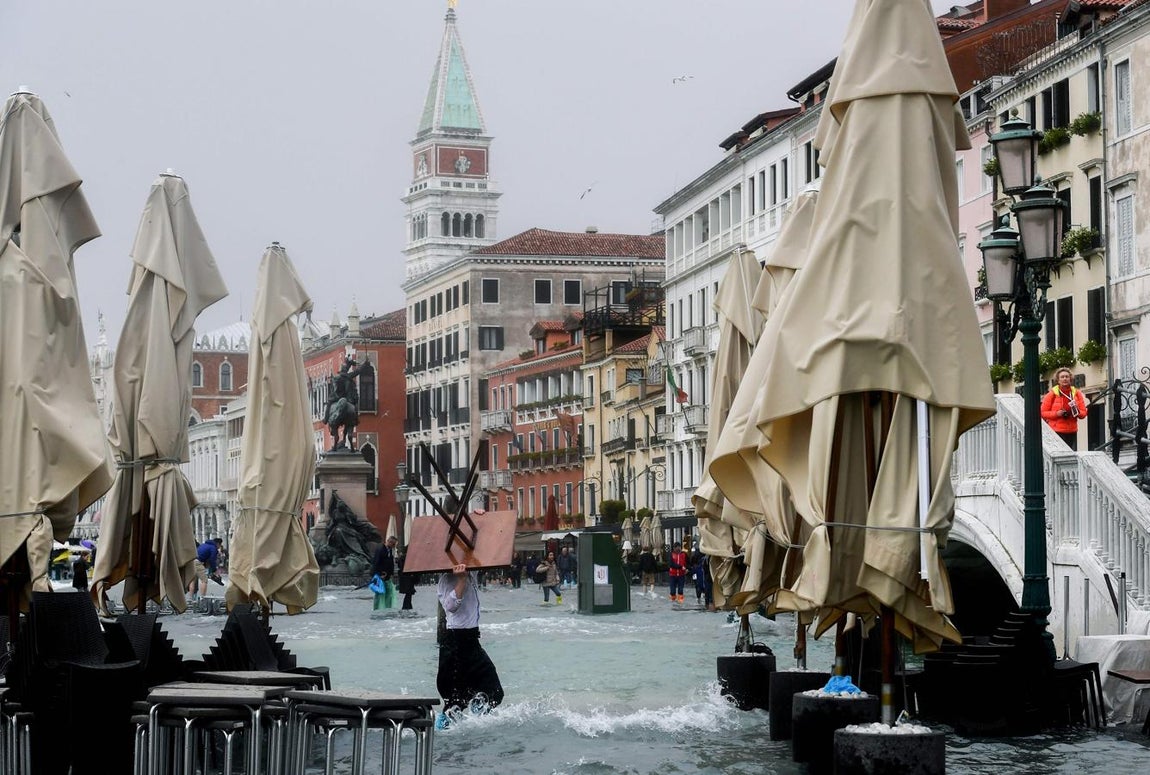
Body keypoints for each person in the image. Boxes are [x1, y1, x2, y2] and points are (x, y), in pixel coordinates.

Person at [435, 563, 504, 727]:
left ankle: (477, 723)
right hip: (454, 642)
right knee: (454, 700)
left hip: (471, 640)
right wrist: (461, 580)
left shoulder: (472, 573)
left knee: (494, 691)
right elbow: (450, 607)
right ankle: (442, 733)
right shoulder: (446, 579)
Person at [1041, 367, 1088, 450]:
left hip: (1071, 430)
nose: (1065, 379)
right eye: (1062, 377)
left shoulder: (1077, 393)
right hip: (1056, 430)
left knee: (1070, 454)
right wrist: (1057, 413)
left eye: (1067, 376)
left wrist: (1077, 412)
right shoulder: (1052, 394)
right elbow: (1043, 412)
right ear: (1058, 380)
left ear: (1070, 379)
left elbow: (1083, 413)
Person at [370, 536, 398, 610]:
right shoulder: (380, 549)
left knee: (388, 592)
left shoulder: (390, 550)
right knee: (379, 593)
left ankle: (387, 607)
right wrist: (379, 574)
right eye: (394, 544)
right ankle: (376, 609)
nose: (394, 546)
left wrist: (391, 573)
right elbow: (376, 563)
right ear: (389, 542)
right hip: (380, 575)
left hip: (387, 576)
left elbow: (390, 562)